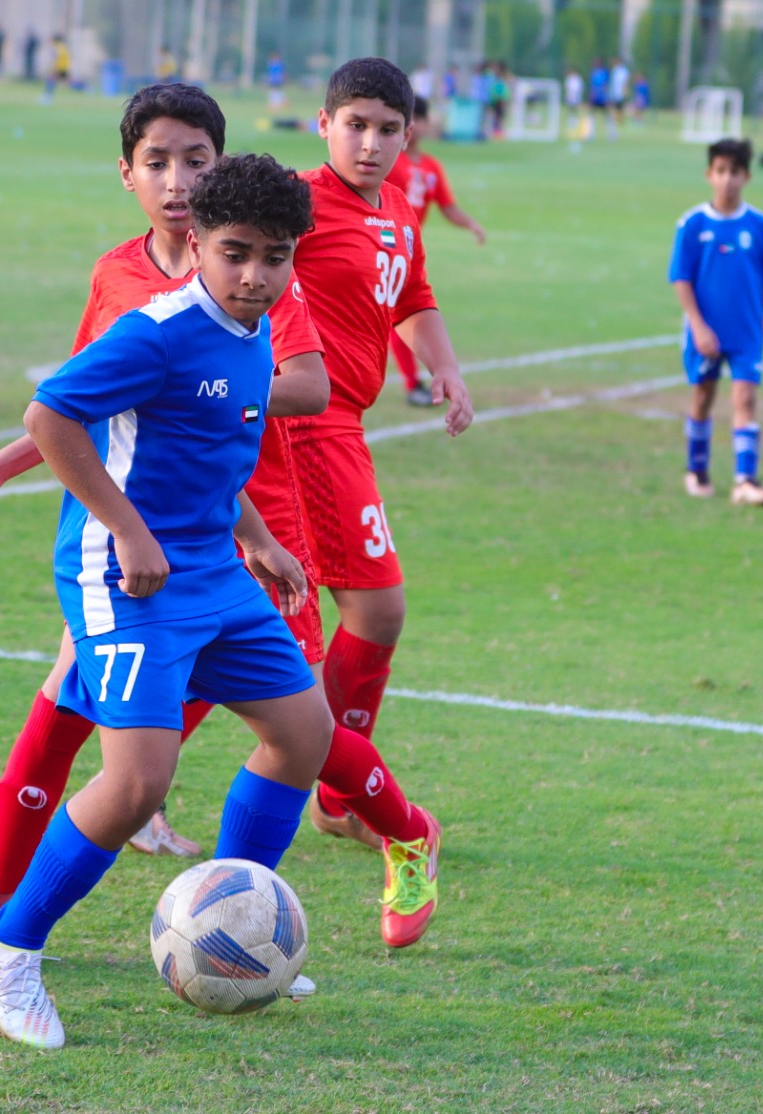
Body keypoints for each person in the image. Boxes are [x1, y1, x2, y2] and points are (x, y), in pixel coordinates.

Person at [0, 83, 443, 981]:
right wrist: (3, 468)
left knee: (300, 728)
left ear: (219, 171)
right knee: (64, 722)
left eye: (194, 161)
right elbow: (80, 399)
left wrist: (214, 396)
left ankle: (385, 841)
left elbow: (308, 385)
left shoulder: (263, 274)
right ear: (127, 174)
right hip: (130, 538)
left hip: (245, 521)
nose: (176, 180)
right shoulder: (122, 280)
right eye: (156, 162)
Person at [0, 153, 329, 1050]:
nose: (256, 275)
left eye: (276, 256)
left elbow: (214, 451)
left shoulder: (254, 332)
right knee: (136, 784)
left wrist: (259, 540)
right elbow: (50, 417)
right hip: (125, 576)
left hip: (212, 567)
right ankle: (8, 945)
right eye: (236, 253)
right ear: (196, 243)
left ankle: (236, 920)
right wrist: (127, 529)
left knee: (302, 735)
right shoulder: (158, 331)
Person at [284, 58, 472, 844]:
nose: (369, 143)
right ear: (323, 124)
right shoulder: (295, 202)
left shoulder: (397, 205)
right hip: (300, 427)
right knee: (356, 613)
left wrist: (447, 368)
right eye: (354, 125)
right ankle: (341, 793)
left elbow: (413, 295)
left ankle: (335, 792)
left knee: (275, 627)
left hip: (345, 427)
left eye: (386, 129)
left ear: (409, 135)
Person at [669, 137, 763, 507]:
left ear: (747, 176)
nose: (728, 179)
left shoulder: (759, 225)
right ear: (709, 174)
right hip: (706, 332)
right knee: (703, 396)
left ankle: (745, 480)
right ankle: (696, 470)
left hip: (746, 331)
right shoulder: (692, 224)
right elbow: (681, 278)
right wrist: (698, 326)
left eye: (735, 172)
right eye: (721, 171)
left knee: (746, 397)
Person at [385, 94, 485, 406]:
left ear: (425, 124)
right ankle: (412, 384)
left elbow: (447, 206)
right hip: (384, 248)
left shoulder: (430, 167)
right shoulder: (390, 162)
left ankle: (415, 383)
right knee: (396, 316)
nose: (414, 127)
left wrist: (471, 224)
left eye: (418, 120)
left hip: (410, 253)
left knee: (401, 315)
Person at [42, 34, 70, 104]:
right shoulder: (62, 47)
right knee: (67, 83)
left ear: (55, 41)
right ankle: (85, 88)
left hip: (60, 68)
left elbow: (57, 59)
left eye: (51, 40)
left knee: (51, 80)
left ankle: (47, 98)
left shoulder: (57, 48)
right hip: (63, 68)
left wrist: (54, 68)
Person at [609, 56, 630, 137]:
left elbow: (626, 83)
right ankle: (614, 129)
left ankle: (618, 126)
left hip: (620, 95)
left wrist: (625, 93)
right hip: (614, 95)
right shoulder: (614, 70)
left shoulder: (623, 71)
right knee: (613, 112)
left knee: (619, 112)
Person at [587, 58, 609, 137]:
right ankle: (590, 134)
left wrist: (606, 97)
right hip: (595, 97)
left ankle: (611, 134)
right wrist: (591, 97)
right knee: (592, 115)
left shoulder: (605, 72)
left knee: (607, 115)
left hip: (602, 97)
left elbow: (606, 85)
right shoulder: (593, 73)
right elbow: (592, 86)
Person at [564, 66, 585, 136]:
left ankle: (577, 121)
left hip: (577, 97)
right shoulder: (569, 79)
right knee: (571, 109)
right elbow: (567, 88)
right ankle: (571, 120)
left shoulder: (579, 79)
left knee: (576, 109)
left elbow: (580, 89)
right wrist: (568, 96)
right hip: (570, 97)